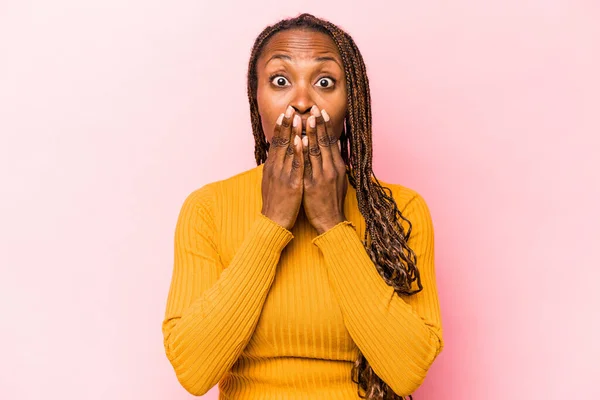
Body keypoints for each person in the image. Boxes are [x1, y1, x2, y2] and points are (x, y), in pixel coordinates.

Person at [162, 13, 444, 400]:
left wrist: (331, 223)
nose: (301, 102)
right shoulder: (208, 208)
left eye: (324, 82)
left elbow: (408, 369)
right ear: (255, 97)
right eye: (280, 81)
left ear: (352, 103)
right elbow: (194, 371)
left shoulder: (399, 210)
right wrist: (272, 222)